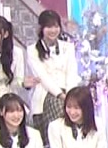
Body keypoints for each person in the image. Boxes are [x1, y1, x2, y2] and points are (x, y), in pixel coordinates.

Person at [28, 10, 80, 139]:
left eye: (56, 26)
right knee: (57, 110)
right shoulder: (32, 50)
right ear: (41, 28)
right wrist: (61, 95)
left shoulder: (68, 47)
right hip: (46, 94)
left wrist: (70, 94)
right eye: (49, 27)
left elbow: (71, 72)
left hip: (68, 93)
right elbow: (43, 77)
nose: (53, 30)